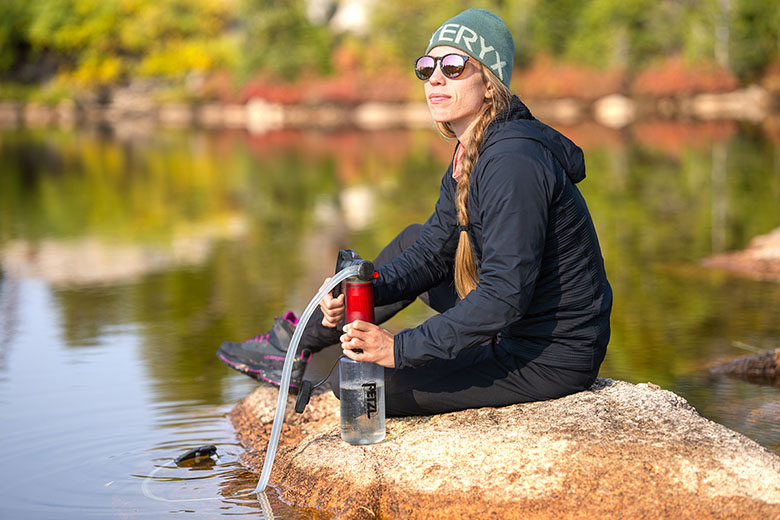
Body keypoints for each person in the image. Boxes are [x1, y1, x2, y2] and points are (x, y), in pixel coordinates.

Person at [218, 8, 612, 417]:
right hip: (516, 324)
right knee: (409, 242)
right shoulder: (472, 151)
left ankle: (299, 348)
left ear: (490, 83)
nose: (435, 78)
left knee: (356, 386)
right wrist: (358, 293)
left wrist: (399, 348)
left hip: (548, 355)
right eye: (427, 67)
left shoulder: (513, 162)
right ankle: (292, 348)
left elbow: (503, 294)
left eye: (453, 66)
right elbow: (431, 254)